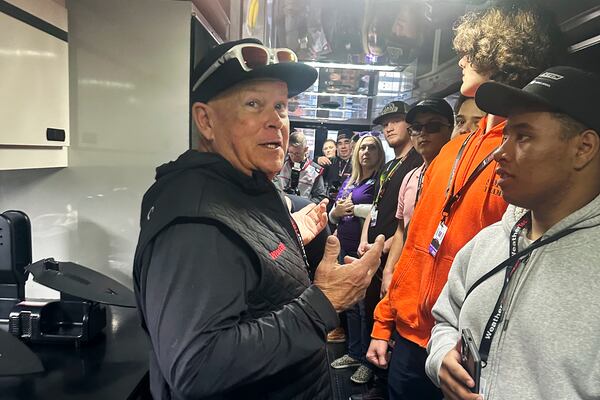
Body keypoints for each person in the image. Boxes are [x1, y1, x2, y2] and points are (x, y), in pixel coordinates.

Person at [132, 38, 385, 400]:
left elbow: (239, 266)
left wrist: (279, 241)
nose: (275, 121)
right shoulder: (195, 223)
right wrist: (324, 303)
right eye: (254, 104)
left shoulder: (241, 189)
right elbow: (198, 366)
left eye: (281, 106)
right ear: (205, 120)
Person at [366, 4, 566, 400]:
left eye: (470, 52)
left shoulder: (527, 157)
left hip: (467, 352)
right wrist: (384, 321)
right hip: (410, 338)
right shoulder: (452, 150)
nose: (460, 60)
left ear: (500, 55)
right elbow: (418, 241)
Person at [426, 66, 600, 400]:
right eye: (506, 135)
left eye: (523, 136)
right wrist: (441, 358)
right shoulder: (487, 242)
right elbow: (446, 321)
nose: (499, 153)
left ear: (583, 148)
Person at [352, 101, 423, 400]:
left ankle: (381, 384)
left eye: (397, 120)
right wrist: (365, 239)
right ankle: (375, 378)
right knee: (370, 310)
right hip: (375, 250)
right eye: (385, 123)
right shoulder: (391, 166)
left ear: (410, 125)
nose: (390, 127)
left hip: (392, 254)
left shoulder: (417, 163)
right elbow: (378, 208)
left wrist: (383, 248)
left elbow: (410, 223)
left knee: (388, 319)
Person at [380, 98, 454, 299]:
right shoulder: (410, 177)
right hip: (405, 275)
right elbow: (401, 229)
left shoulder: (456, 177)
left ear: (450, 130)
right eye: (417, 128)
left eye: (433, 126)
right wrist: (388, 272)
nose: (423, 133)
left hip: (439, 281)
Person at [329, 133, 386, 385]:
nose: (366, 152)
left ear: (379, 152)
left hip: (361, 249)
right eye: (362, 148)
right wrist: (336, 211)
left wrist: (354, 208)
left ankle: (366, 360)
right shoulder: (351, 179)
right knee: (350, 304)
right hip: (342, 243)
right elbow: (335, 213)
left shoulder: (379, 181)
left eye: (371, 148)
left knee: (364, 308)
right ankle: (353, 353)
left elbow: (380, 212)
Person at [274, 130, 327, 203]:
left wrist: (305, 204)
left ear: (305, 149)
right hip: (281, 205)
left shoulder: (315, 171)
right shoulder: (280, 164)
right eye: (291, 153)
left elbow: (320, 196)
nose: (294, 157)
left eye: (297, 154)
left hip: (303, 208)